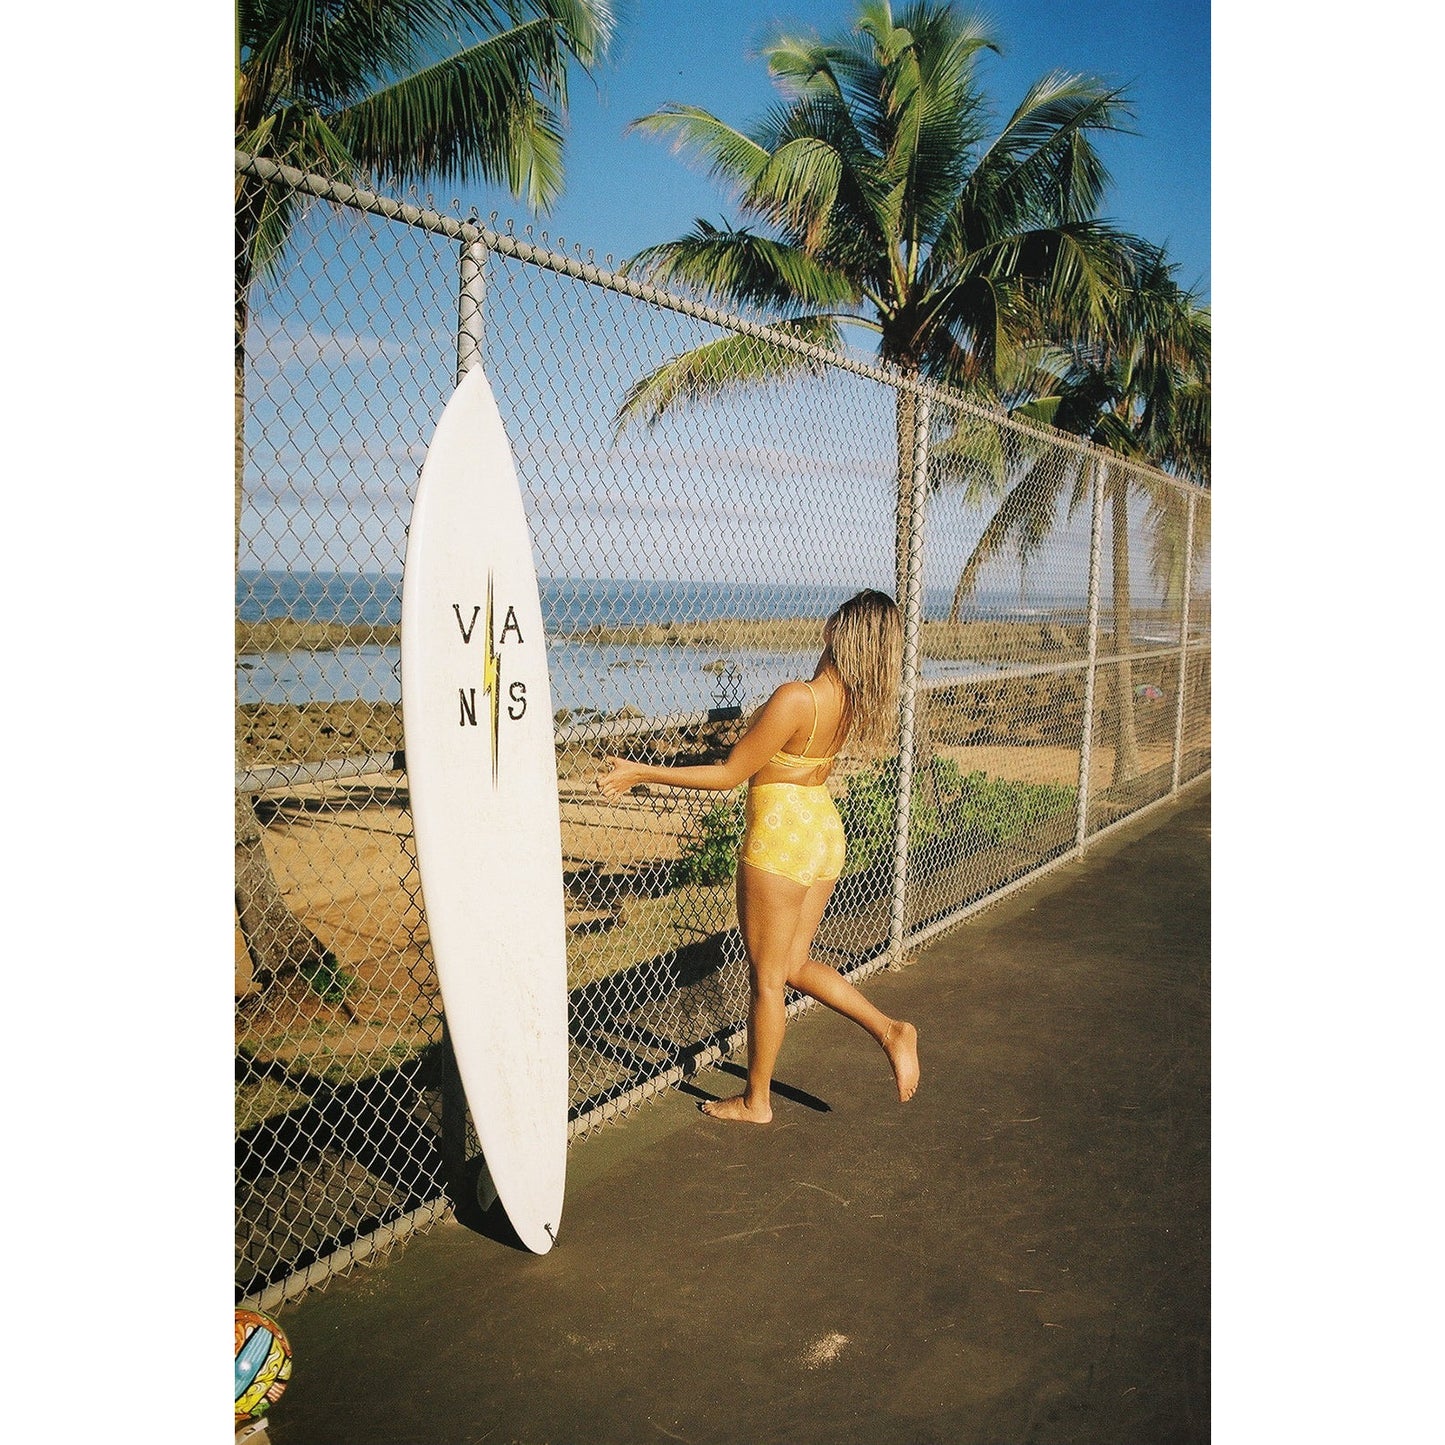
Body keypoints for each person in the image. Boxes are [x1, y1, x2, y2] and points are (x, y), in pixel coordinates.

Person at [597, 589, 920, 1123]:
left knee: (767, 977)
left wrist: (641, 771)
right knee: (791, 965)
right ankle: (889, 1030)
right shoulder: (854, 702)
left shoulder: (798, 698)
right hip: (821, 829)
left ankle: (757, 1101)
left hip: (781, 836)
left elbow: (729, 774)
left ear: (838, 634)